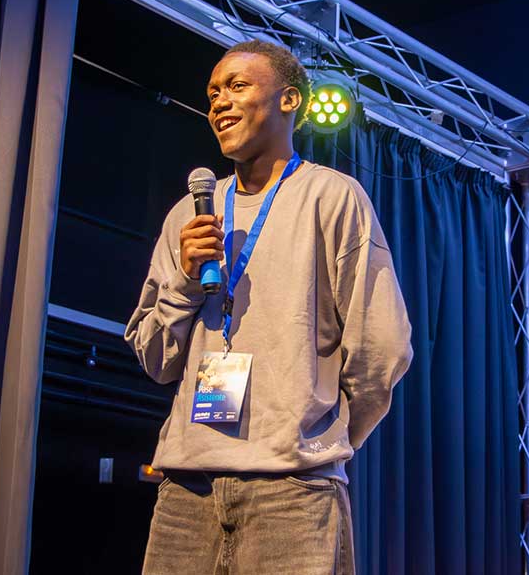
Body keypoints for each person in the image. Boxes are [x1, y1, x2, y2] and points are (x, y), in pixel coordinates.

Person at [125, 39, 413, 575]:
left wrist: (318, 440)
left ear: (289, 100)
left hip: (293, 492)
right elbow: (156, 359)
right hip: (186, 490)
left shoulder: (332, 195)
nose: (219, 102)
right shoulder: (188, 215)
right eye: (213, 93)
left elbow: (381, 347)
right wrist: (186, 281)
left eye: (237, 86)